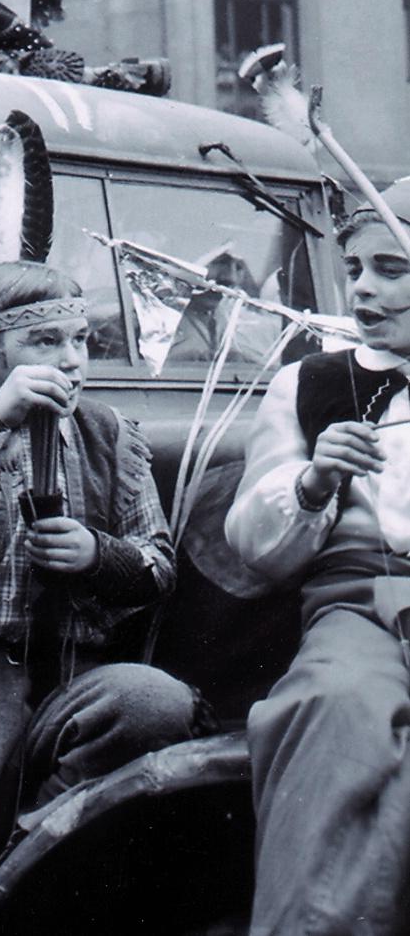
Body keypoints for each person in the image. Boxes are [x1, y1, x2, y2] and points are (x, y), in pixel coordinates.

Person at [0, 262, 198, 936]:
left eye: (79, 339)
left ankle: (39, 841)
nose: (71, 360)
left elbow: (157, 563)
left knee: (153, 700)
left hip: (81, 675)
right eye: (45, 342)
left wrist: (97, 556)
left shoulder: (111, 434)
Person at [224, 178, 410, 934]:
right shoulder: (312, 382)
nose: (362, 286)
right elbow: (250, 546)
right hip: (359, 602)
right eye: (356, 266)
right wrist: (312, 480)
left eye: (390, 269)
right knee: (333, 708)